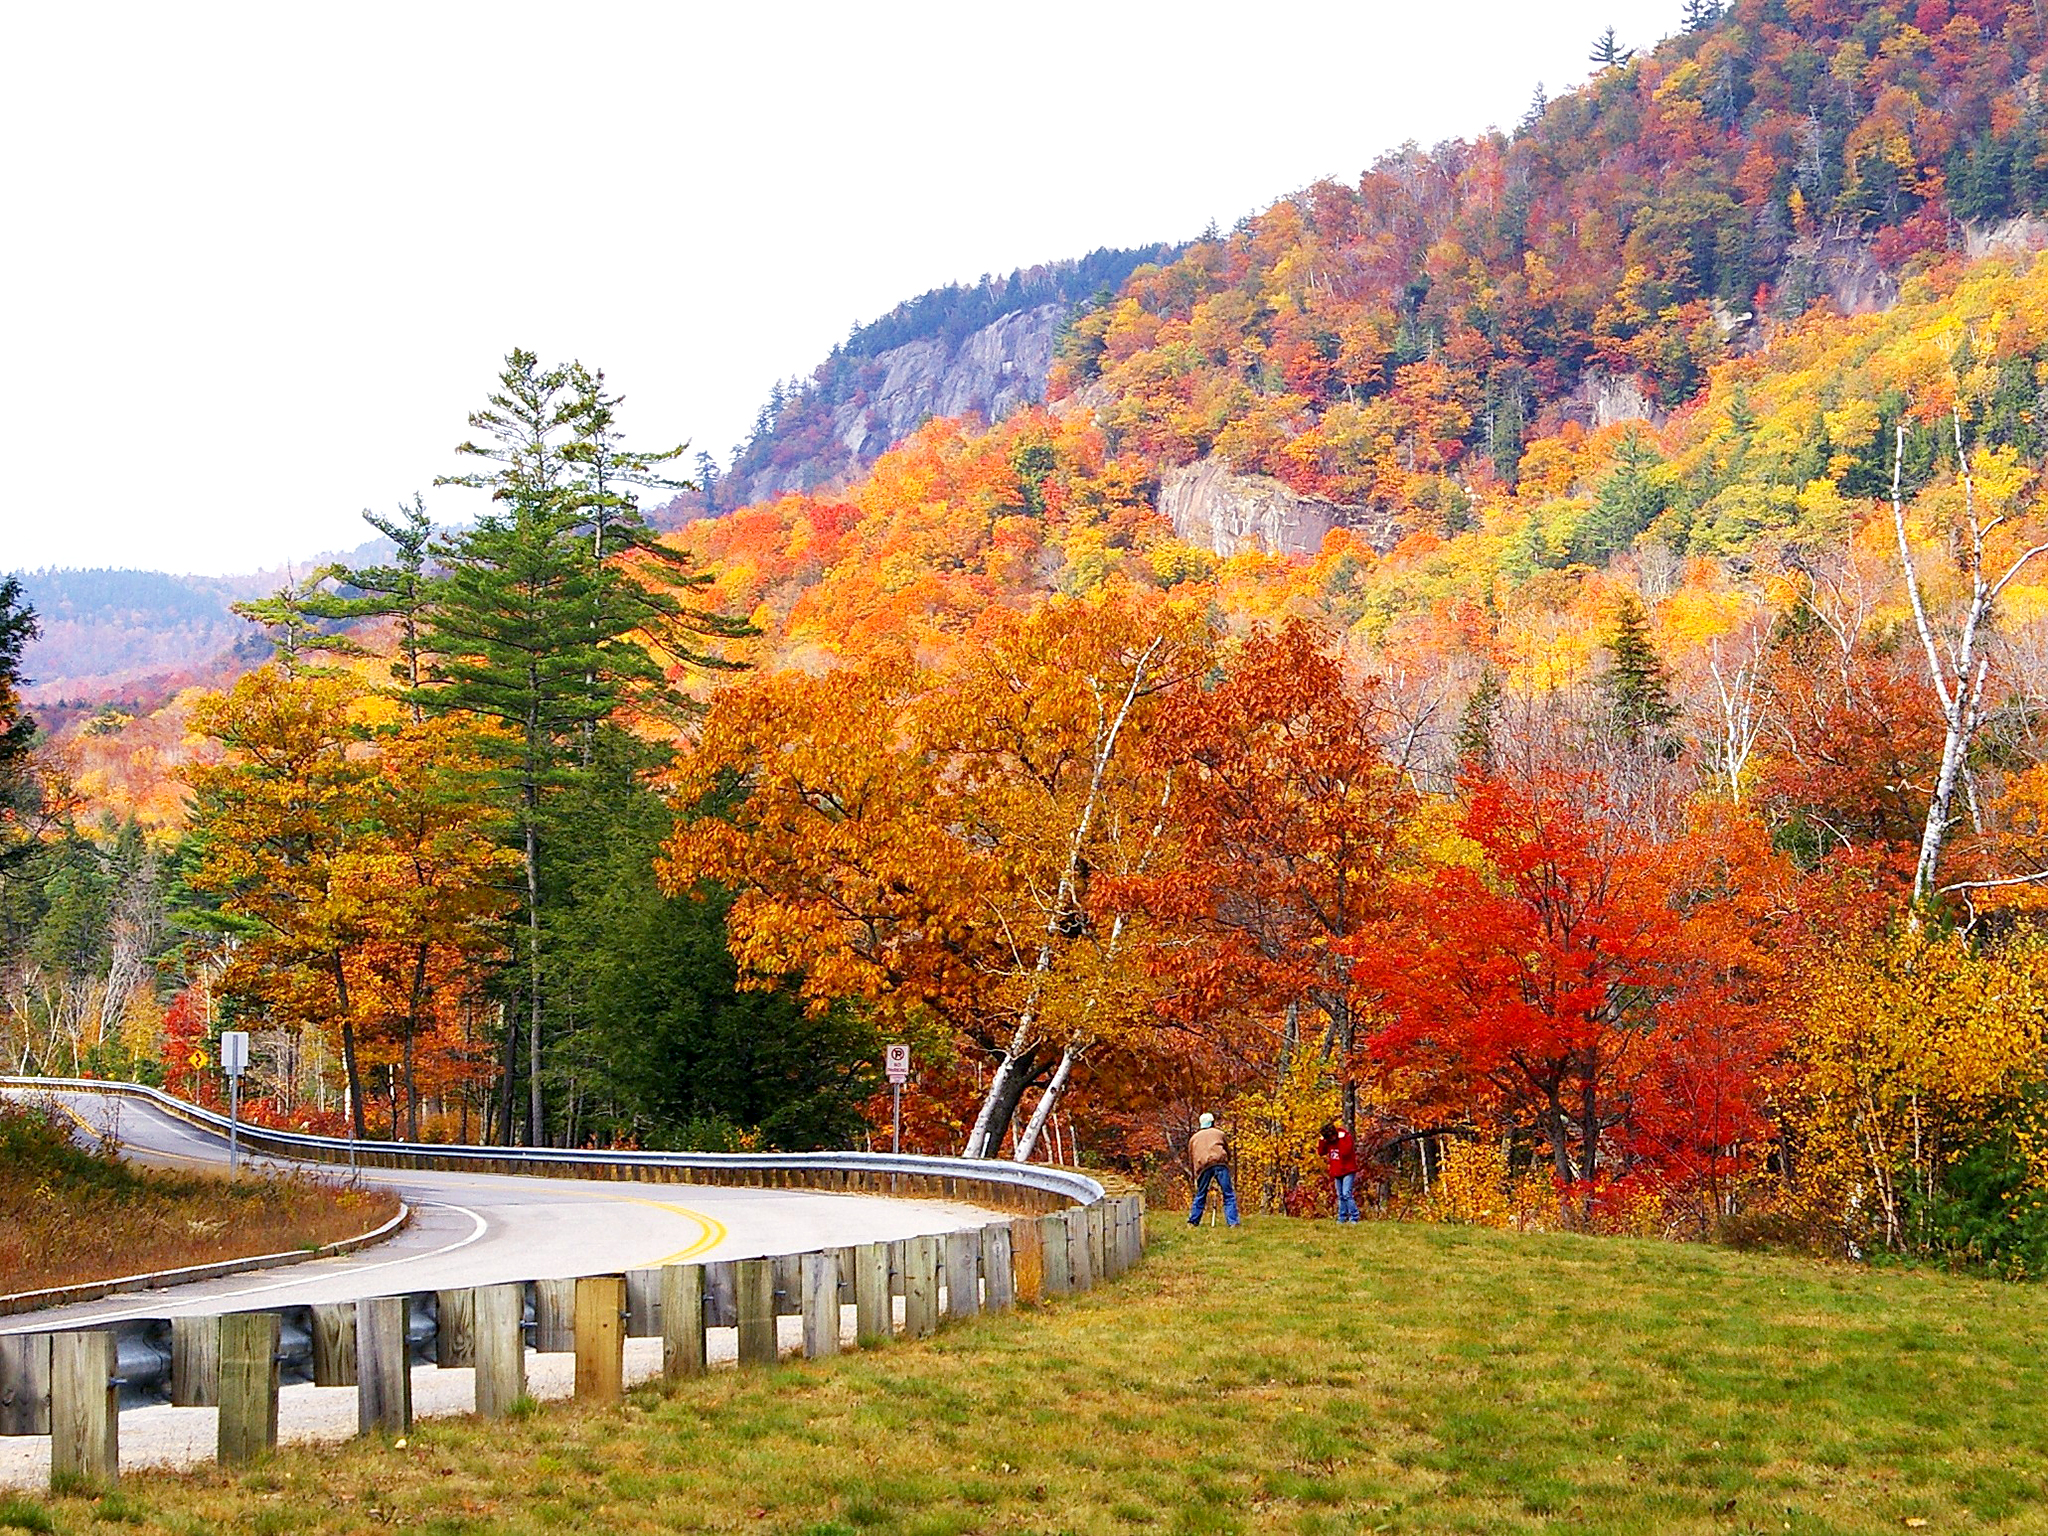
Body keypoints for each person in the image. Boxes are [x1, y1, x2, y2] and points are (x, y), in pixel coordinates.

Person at [1186, 1111, 1240, 1227]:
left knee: (1201, 1193)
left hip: (1203, 1166)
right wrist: (1228, 1161)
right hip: (1220, 1163)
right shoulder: (1219, 1134)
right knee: (1228, 1194)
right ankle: (1233, 1222)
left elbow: (1191, 1156)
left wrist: (1195, 1173)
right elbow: (1227, 1149)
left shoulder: (1194, 1138)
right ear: (1212, 1122)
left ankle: (1193, 1221)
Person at [1318, 1121, 1360, 1223]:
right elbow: (1321, 1152)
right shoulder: (1328, 1141)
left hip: (1348, 1170)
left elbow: (1345, 1152)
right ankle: (1342, 1217)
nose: (1331, 1140)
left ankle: (1354, 1216)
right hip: (1337, 1171)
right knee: (1340, 1195)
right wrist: (1322, 1141)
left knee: (1346, 1193)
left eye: (1331, 1138)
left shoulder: (1345, 1137)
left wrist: (1341, 1139)